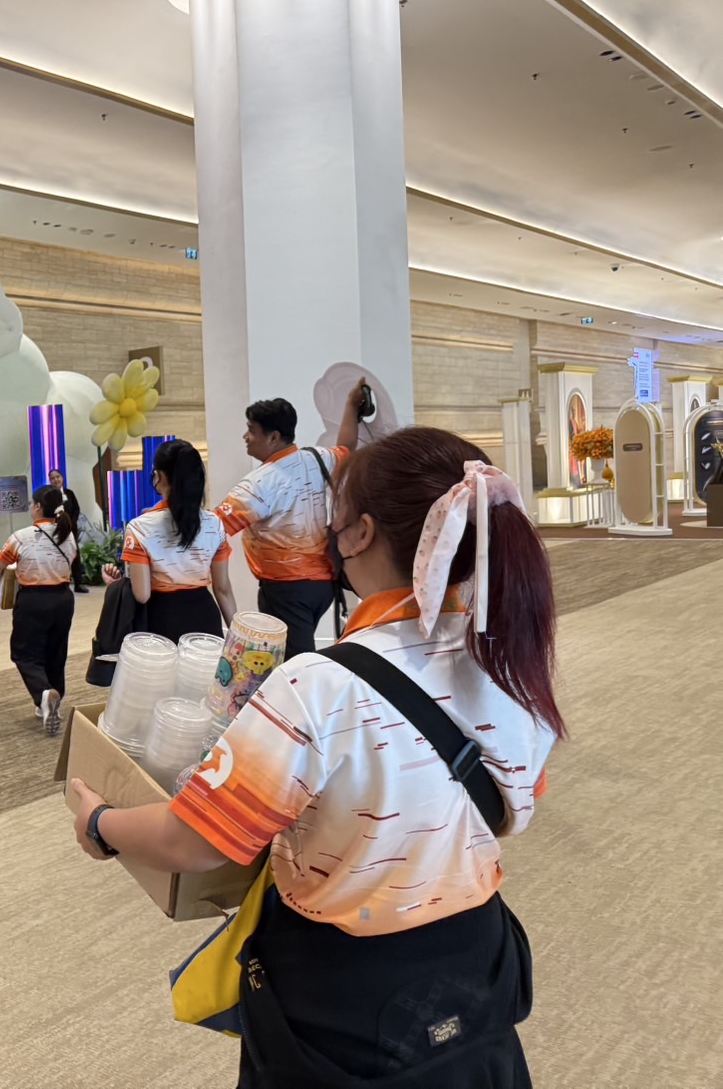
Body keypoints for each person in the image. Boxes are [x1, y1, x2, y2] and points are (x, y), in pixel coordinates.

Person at [71, 427, 563, 1087]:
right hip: (476, 960)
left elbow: (191, 842)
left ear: (359, 533)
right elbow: (512, 806)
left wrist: (99, 823)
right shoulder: (509, 659)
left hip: (345, 992)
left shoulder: (319, 686)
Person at [214, 381, 367, 657]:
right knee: (295, 655)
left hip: (286, 590)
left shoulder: (259, 484)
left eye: (251, 430)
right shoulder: (317, 458)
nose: (245, 437)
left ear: (273, 437)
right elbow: (346, 447)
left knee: (296, 663)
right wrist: (351, 404)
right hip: (324, 585)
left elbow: (213, 529)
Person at [103, 439, 236, 642]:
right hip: (206, 618)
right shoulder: (214, 524)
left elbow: (142, 595)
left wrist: (117, 585)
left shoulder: (139, 527)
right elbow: (222, 589)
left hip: (162, 620)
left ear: (159, 476)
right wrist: (237, 637)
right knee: (208, 664)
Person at [0, 485, 78, 735]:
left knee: (24, 653)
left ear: (38, 507)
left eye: (31, 504)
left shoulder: (22, 536)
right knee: (56, 651)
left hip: (33, 600)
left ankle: (43, 693)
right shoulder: (67, 535)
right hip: (63, 599)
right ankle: (50, 702)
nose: (30, 507)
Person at [48, 468, 90, 593]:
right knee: (58, 556)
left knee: (75, 555)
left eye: (58, 477)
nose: (56, 480)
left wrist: (71, 522)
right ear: (50, 481)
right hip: (56, 531)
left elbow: (76, 509)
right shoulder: (49, 495)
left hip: (71, 530)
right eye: (53, 478)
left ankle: (78, 583)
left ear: (62, 478)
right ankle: (59, 584)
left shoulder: (69, 493)